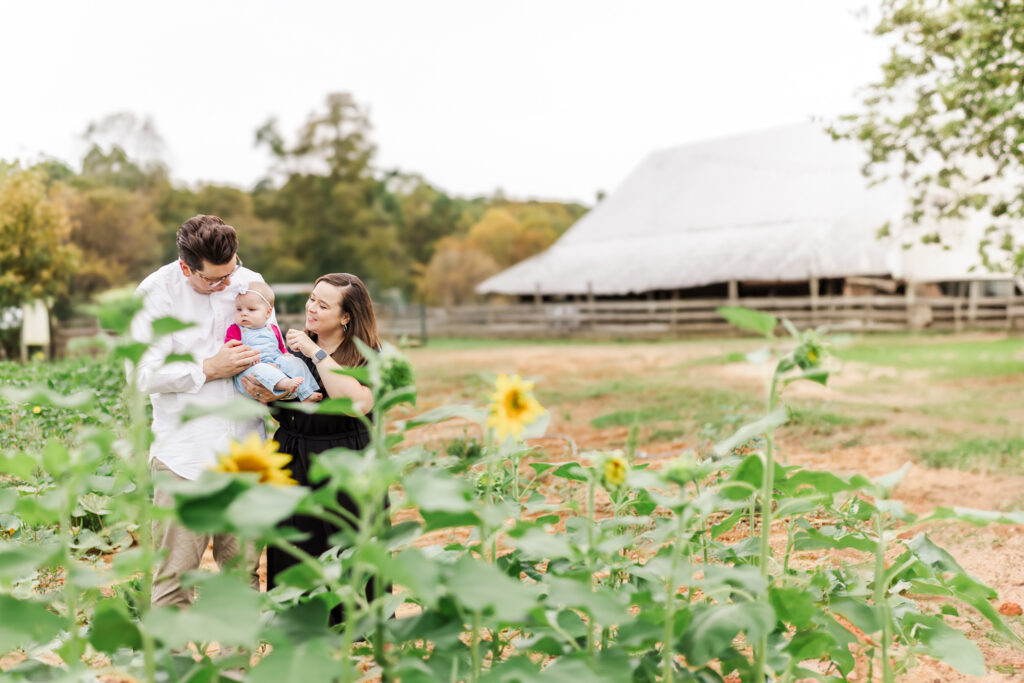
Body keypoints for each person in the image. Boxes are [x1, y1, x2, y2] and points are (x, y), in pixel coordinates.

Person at [131, 214, 265, 607]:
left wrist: (268, 381)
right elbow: (141, 374)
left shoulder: (247, 281)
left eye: (231, 271)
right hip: (184, 457)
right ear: (186, 267)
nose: (227, 284)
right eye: (214, 280)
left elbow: (268, 341)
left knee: (242, 576)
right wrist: (208, 369)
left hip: (245, 452)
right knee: (174, 579)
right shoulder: (154, 294)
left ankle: (236, 669)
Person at [241, 273, 383, 627]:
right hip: (293, 454)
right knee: (296, 547)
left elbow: (355, 404)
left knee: (348, 544)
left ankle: (353, 635)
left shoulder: (366, 354)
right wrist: (267, 391)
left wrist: (315, 352)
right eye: (312, 299)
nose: (312, 308)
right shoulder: (284, 349)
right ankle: (297, 628)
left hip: (347, 460)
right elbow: (263, 395)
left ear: (346, 316)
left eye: (323, 304)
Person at [227, 282, 321, 402]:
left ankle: (307, 393)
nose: (244, 313)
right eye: (239, 309)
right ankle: (286, 384)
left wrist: (285, 354)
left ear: (267, 313)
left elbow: (280, 347)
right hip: (250, 369)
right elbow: (231, 352)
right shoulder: (236, 329)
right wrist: (247, 359)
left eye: (251, 309)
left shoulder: (272, 328)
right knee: (262, 369)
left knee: (295, 362)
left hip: (275, 361)